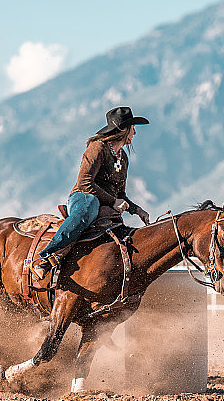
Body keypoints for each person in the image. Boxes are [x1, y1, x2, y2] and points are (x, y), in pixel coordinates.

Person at [31, 106, 151, 280]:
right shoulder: (97, 148)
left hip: (105, 203)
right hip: (83, 196)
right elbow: (84, 182)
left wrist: (137, 210)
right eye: (133, 128)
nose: (135, 133)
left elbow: (121, 194)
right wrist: (112, 201)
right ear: (123, 130)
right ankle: (45, 257)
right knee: (90, 206)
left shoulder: (123, 158)